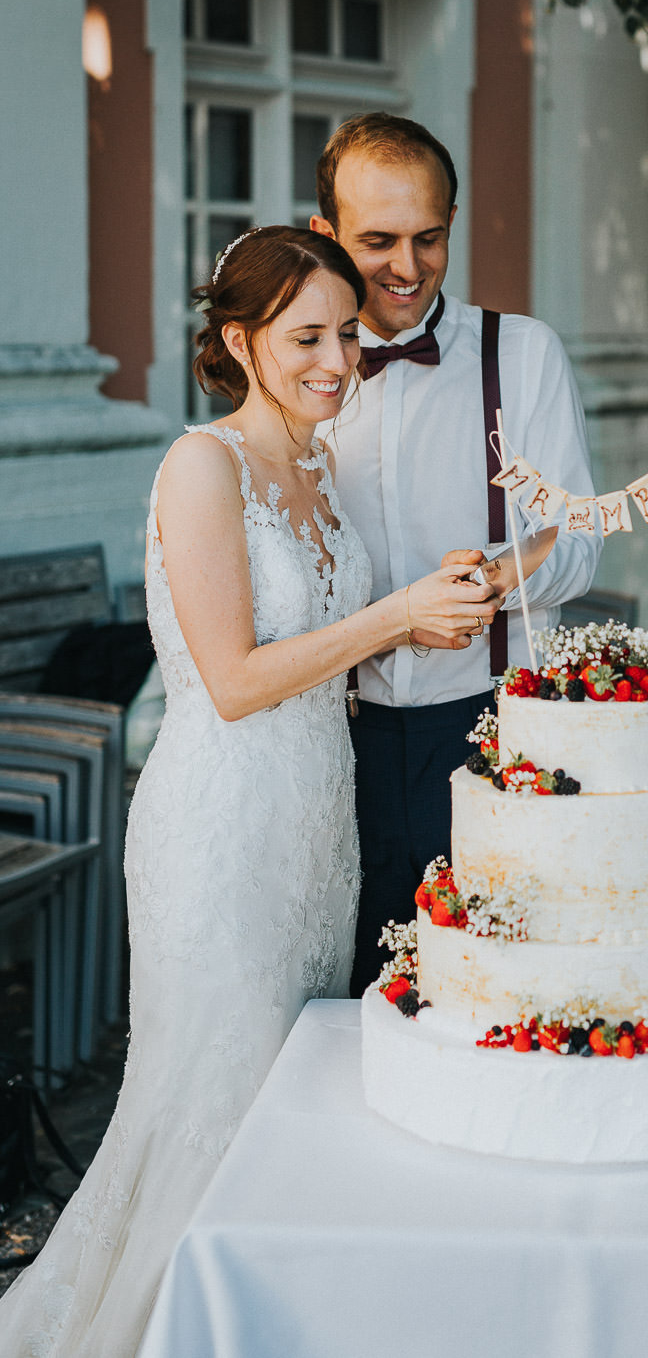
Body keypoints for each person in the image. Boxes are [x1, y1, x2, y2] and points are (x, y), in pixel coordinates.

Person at [0, 226, 497, 1357]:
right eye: (307, 338)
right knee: (211, 1105)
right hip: (220, 829)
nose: (337, 362)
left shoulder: (318, 466)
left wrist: (454, 597)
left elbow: (333, 653)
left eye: (348, 339)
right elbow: (229, 682)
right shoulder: (200, 463)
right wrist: (395, 615)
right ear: (241, 341)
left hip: (317, 825)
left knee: (286, 1111)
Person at [310, 113, 601, 994]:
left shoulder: (524, 353)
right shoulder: (297, 371)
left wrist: (486, 584)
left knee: (487, 988)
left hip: (483, 724)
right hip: (331, 737)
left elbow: (577, 541)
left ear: (453, 222)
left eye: (428, 238)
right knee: (349, 992)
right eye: (376, 241)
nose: (406, 266)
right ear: (325, 235)